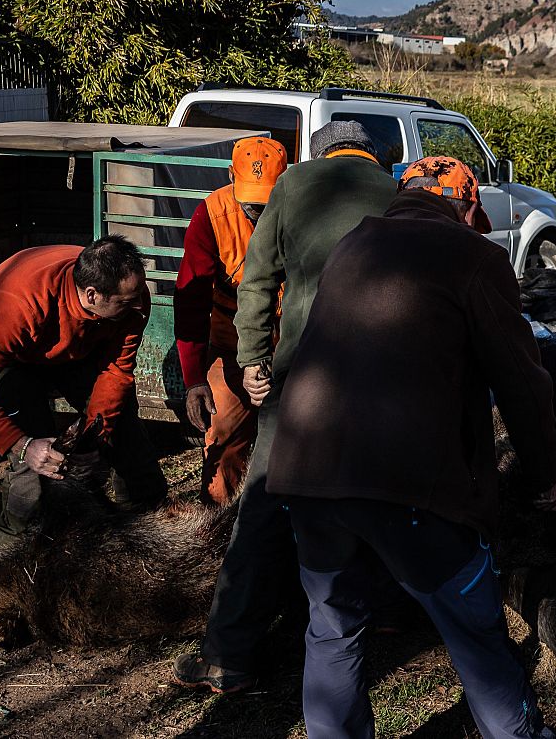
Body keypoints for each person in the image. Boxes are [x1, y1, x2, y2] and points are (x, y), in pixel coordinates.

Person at [269, 156, 556, 739]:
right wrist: (544, 474)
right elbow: (521, 380)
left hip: (307, 472)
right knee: (474, 634)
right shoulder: (473, 256)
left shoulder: (353, 244)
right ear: (467, 205)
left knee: (332, 629)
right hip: (408, 484)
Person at [172, 121, 401, 693]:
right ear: (371, 156)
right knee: (379, 495)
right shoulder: (397, 192)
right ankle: (383, 612)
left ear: (317, 154)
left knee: (264, 505)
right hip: (382, 378)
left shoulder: (294, 185)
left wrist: (253, 359)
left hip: (302, 374)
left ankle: (229, 656)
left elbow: (257, 280)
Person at [0, 237, 165, 553]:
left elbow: (116, 371)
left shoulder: (132, 299)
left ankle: (148, 532)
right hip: (10, 354)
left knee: (124, 430)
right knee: (36, 465)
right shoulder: (16, 305)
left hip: (74, 346)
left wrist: (97, 436)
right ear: (92, 294)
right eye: (126, 301)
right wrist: (24, 446)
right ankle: (10, 557)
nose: (139, 305)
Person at [172, 136, 289, 506]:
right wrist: (194, 380)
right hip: (231, 346)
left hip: (294, 346)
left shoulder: (302, 211)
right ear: (230, 176)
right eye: (250, 202)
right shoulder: (211, 215)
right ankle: (216, 520)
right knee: (222, 432)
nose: (257, 211)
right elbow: (191, 301)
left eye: (266, 202)